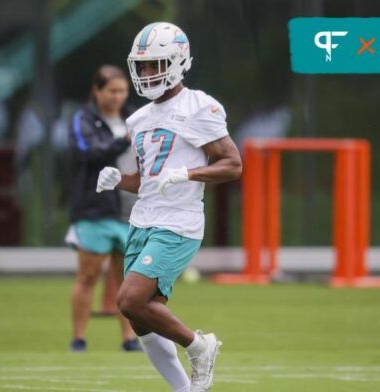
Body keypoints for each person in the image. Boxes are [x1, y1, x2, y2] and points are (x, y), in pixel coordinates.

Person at [96, 22, 242, 391]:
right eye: (142, 66)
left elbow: (233, 164)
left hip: (179, 223)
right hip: (142, 220)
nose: (147, 73)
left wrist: (188, 174)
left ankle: (200, 346)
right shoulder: (138, 118)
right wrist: (119, 179)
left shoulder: (199, 106)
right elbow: (148, 177)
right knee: (142, 318)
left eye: (155, 64)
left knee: (129, 299)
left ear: (178, 62)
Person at [66, 65, 140, 352]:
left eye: (122, 90)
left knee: (129, 280)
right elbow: (88, 151)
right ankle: (79, 337)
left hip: (132, 211)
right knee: (88, 276)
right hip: (95, 210)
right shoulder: (83, 119)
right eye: (112, 91)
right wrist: (123, 142)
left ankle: (129, 338)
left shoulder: (135, 117)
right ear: (96, 91)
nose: (118, 96)